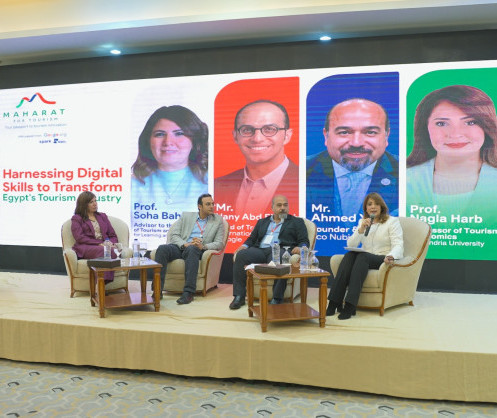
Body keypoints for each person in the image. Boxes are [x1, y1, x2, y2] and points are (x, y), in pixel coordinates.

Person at [406, 85, 497, 210]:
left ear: (487, 125)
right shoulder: (404, 180)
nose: (455, 134)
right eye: (441, 123)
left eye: (470, 122)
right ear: (425, 128)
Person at [307, 98, 398, 217]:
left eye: (370, 132)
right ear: (326, 136)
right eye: (344, 132)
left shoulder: (406, 173)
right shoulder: (302, 171)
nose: (356, 143)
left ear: (386, 136)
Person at [326, 192, 403, 320]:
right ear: (366, 208)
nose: (373, 207)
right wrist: (361, 230)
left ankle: (350, 305)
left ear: (382, 207)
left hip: (382, 257)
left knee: (362, 257)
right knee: (350, 255)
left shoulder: (392, 221)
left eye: (376, 204)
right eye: (369, 204)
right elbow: (351, 244)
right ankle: (334, 302)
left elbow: (398, 245)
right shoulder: (363, 222)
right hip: (365, 258)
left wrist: (391, 256)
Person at [215, 100, 298, 216]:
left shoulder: (307, 184)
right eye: (247, 130)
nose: (257, 139)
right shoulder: (216, 186)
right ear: (235, 136)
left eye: (269, 129)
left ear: (287, 136)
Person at [229, 195, 309, 310]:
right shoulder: (262, 222)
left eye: (285, 205)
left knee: (281, 259)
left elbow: (304, 240)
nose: (283, 208)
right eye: (279, 205)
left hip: (280, 250)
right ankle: (239, 296)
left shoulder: (297, 222)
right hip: (260, 250)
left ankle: (277, 298)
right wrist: (244, 245)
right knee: (241, 255)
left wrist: (301, 247)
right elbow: (252, 238)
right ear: (272, 208)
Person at [132, 105, 208, 215]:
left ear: (195, 141)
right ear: (148, 141)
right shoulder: (131, 185)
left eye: (179, 134)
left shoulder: (210, 183)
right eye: (160, 134)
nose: (168, 142)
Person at [154, 193, 225, 304]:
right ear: (199, 206)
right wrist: (185, 244)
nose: (212, 206)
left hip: (198, 250)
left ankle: (188, 293)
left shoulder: (218, 220)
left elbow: (219, 243)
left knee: (192, 249)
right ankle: (157, 290)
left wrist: (204, 246)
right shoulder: (186, 216)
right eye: (208, 204)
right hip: (182, 246)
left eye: (213, 204)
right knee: (162, 249)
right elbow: (174, 235)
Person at [71, 191, 118, 282]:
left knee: (111, 249)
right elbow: (79, 237)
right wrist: (100, 243)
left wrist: (110, 243)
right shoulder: (77, 218)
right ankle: (103, 282)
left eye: (95, 201)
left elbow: (112, 235)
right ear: (84, 204)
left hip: (104, 245)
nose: (95, 204)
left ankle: (102, 282)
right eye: (91, 202)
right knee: (107, 251)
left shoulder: (102, 216)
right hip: (86, 246)